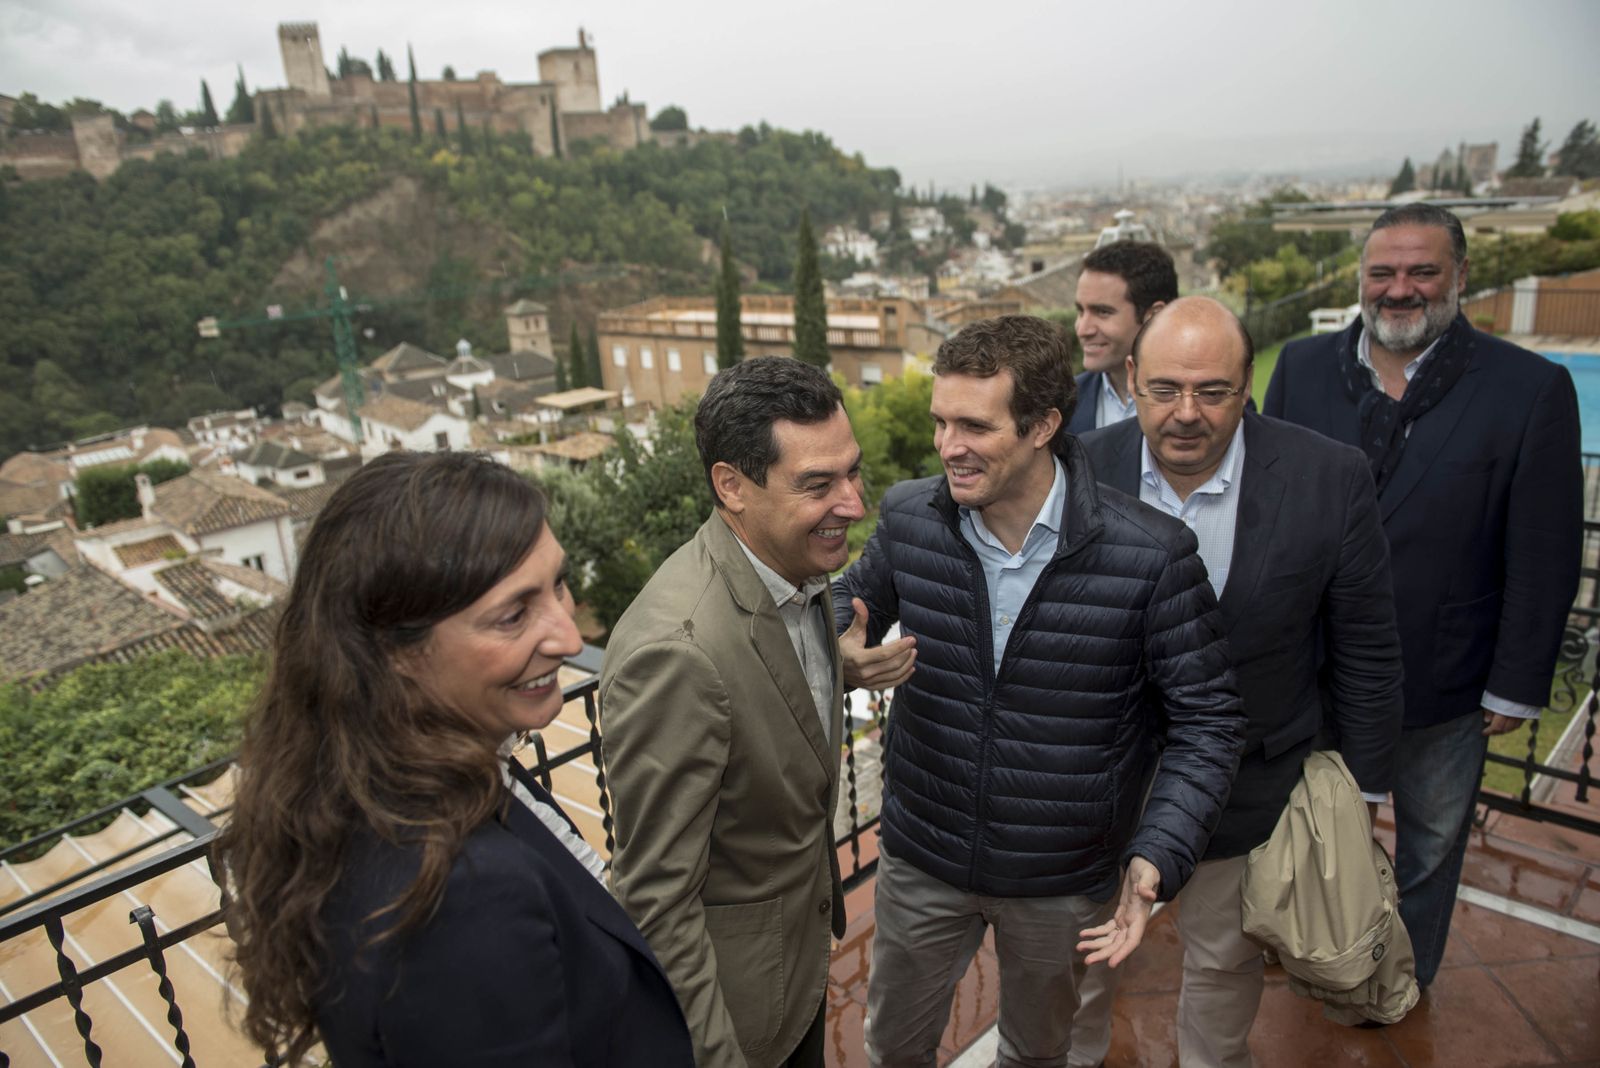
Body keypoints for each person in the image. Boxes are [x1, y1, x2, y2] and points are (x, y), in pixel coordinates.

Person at [835, 314, 1245, 1068]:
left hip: (1062, 883)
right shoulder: (910, 517)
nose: (948, 446)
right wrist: (842, 650)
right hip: (924, 857)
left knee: (1034, 1054)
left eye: (973, 425)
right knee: (892, 1046)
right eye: (940, 421)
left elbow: (1209, 722)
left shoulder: (1152, 556)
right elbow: (848, 601)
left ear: (1043, 426)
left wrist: (1157, 854)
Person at [214, 451, 693, 1067]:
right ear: (395, 652)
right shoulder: (462, 894)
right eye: (513, 614)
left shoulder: (388, 780)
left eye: (559, 585)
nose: (570, 639)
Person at [1077, 297, 1405, 1066]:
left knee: (1222, 965)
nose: (1187, 414)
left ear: (1247, 383)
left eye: (1213, 391)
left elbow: (1365, 646)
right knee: (1080, 960)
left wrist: (1361, 794)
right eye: (1164, 389)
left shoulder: (1331, 477)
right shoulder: (1076, 469)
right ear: (1131, 379)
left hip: (1250, 786)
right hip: (1101, 788)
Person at [1264, 203, 1582, 990]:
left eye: (1421, 271)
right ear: (1361, 280)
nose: (1399, 289)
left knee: (1431, 846)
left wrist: (1516, 680)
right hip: (1315, 672)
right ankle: (1319, 960)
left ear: (1460, 276)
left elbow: (1544, 548)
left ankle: (1402, 978)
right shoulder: (1302, 370)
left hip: (1444, 676)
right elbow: (1266, 511)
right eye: (1382, 272)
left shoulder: (1529, 388)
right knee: (1312, 832)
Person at [600, 356, 863, 1068]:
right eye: (819, 485)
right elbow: (656, 901)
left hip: (797, 980)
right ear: (731, 486)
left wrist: (847, 669)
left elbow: (768, 703)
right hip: (735, 1025)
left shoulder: (794, 567)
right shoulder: (677, 654)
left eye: (852, 472)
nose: (855, 503)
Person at [1066, 241, 1179, 433]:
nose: (1083, 329)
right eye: (1080, 311)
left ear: (1154, 316)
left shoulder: (1210, 403)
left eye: (1102, 312)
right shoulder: (1063, 405)